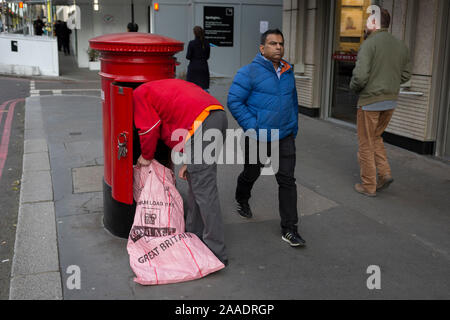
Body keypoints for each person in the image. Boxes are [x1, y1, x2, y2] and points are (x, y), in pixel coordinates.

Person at [133, 79, 229, 266]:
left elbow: (149, 129)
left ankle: (216, 252)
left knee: (205, 191)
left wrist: (146, 156)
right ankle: (194, 236)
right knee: (197, 184)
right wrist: (188, 161)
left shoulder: (139, 94)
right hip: (215, 115)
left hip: (203, 124)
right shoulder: (161, 88)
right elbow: (186, 115)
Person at [227, 29, 305, 247]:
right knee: (252, 172)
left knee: (287, 181)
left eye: (281, 43)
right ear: (262, 48)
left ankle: (290, 229)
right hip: (259, 136)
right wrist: (254, 127)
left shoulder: (288, 71)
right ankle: (242, 198)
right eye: (273, 43)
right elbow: (234, 101)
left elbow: (293, 101)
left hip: (285, 135)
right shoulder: (248, 72)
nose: (278, 47)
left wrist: (294, 128)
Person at [350, 8, 411, 197]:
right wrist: (389, 84)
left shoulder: (369, 44)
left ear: (375, 23)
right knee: (376, 138)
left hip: (370, 101)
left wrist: (354, 88)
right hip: (390, 101)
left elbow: (360, 77)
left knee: (365, 143)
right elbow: (406, 75)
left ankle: (369, 185)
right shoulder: (400, 45)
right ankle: (384, 173)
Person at [186, 26, 210, 91]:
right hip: (203, 67)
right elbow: (207, 57)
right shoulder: (207, 43)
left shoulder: (191, 43)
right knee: (203, 88)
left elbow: (188, 57)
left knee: (191, 88)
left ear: (194, 33)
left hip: (193, 67)